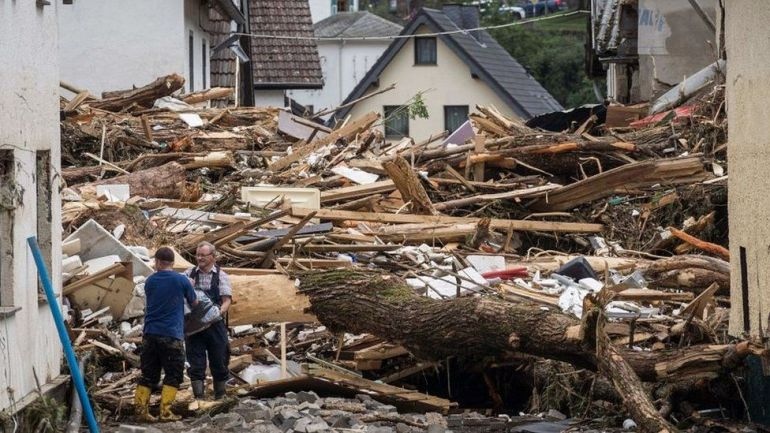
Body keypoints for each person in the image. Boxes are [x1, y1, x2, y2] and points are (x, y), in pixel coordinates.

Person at [134, 247, 197, 422]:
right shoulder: (182, 280)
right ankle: (166, 412)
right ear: (172, 262)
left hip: (150, 333)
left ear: (158, 262)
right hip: (171, 335)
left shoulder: (150, 281)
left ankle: (141, 412)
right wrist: (190, 286)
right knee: (174, 373)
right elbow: (195, 302)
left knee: (148, 374)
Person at [184, 241, 233, 400]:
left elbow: (226, 301)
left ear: (213, 257)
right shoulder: (188, 274)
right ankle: (199, 398)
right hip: (193, 326)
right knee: (195, 360)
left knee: (219, 359)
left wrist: (217, 312)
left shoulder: (221, 276)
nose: (199, 258)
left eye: (203, 255)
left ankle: (220, 395)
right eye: (197, 255)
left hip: (214, 325)